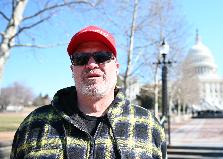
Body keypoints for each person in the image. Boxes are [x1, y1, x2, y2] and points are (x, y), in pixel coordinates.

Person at [10, 25, 167, 159]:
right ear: (72, 70)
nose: (91, 64)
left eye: (102, 56)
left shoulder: (148, 124)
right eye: (80, 58)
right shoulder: (34, 123)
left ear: (117, 68)